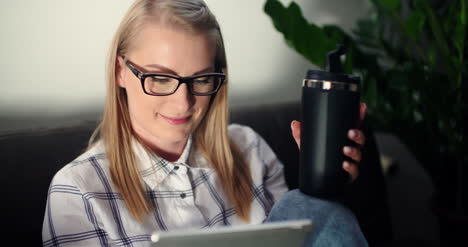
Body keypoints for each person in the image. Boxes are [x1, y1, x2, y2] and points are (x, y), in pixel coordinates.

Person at [42, 0, 368, 246]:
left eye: (200, 80)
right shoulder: (78, 192)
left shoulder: (249, 147)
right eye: (160, 78)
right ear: (121, 72)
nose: (183, 102)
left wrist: (323, 188)